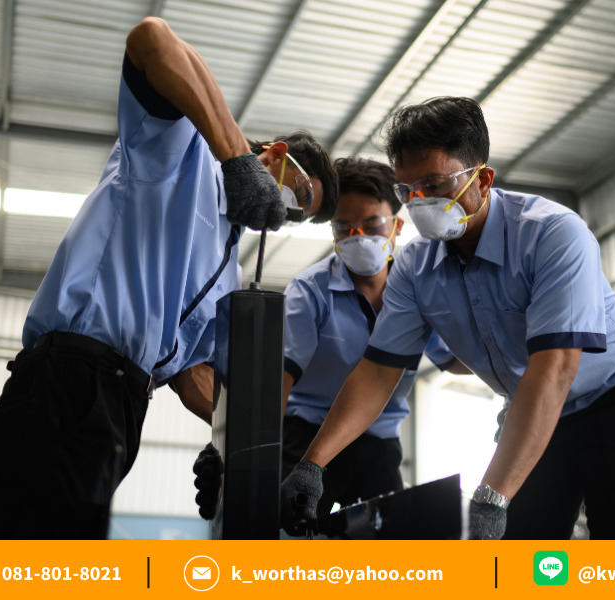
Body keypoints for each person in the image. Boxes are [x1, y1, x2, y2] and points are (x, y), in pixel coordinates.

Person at [0, 16, 338, 540]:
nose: (287, 213)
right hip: (68, 379)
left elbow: (193, 377)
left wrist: (234, 446)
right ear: (276, 155)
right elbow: (152, 37)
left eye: (298, 216)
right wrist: (237, 159)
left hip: (124, 403)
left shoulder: (228, 274)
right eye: (298, 195)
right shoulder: (181, 153)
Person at [281, 96, 615, 541]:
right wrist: (312, 464)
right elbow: (377, 372)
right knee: (519, 556)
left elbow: (555, 369)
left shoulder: (552, 234)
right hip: (534, 405)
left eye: (434, 184)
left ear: (482, 180)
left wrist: (493, 495)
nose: (421, 201)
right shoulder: (414, 268)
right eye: (409, 191)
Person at [193, 157, 467, 527]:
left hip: (379, 443)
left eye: (372, 224)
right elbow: (279, 382)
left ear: (397, 225)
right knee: (284, 533)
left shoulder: (418, 290)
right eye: (343, 227)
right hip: (305, 436)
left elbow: (456, 360)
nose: (358, 236)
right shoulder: (310, 291)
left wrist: (515, 374)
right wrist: (241, 452)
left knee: (390, 544)